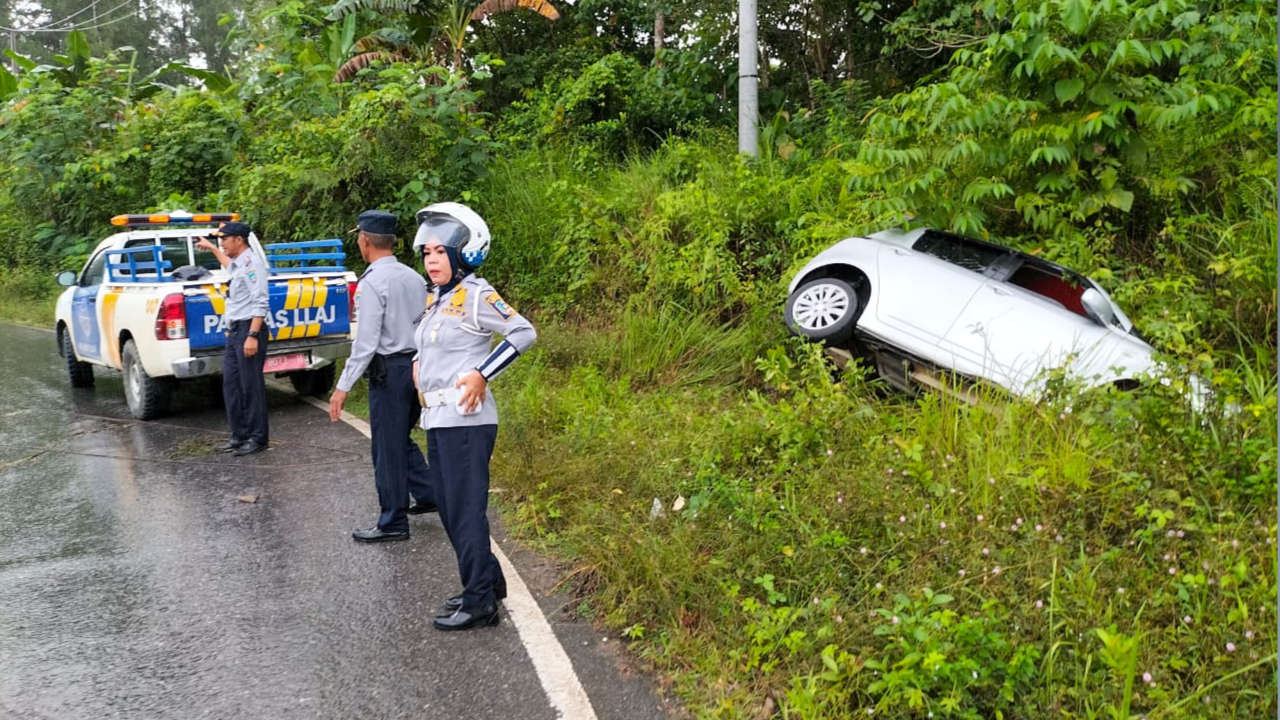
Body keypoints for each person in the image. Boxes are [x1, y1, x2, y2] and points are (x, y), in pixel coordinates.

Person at [411, 202, 536, 631]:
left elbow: (523, 332)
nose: (431, 261)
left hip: (468, 421)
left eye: (440, 252)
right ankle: (487, 582)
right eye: (426, 253)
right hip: (438, 420)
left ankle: (480, 602)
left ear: (464, 252)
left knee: (464, 510)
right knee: (448, 508)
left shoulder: (477, 294)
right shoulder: (435, 299)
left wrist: (483, 373)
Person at [329, 210, 436, 544]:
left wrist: (342, 387)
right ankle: (429, 493)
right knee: (399, 439)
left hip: (389, 373)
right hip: (418, 368)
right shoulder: (414, 277)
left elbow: (366, 343)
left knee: (387, 449)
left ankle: (393, 521)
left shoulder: (372, 283)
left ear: (364, 241)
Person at [195, 222, 270, 457]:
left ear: (238, 239)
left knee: (251, 387)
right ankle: (239, 436)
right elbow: (230, 268)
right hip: (235, 331)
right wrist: (212, 249)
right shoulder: (239, 264)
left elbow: (261, 302)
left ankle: (258, 438)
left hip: (249, 330)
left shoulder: (252, 264)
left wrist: (252, 336)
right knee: (232, 386)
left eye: (224, 240)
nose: (222, 243)